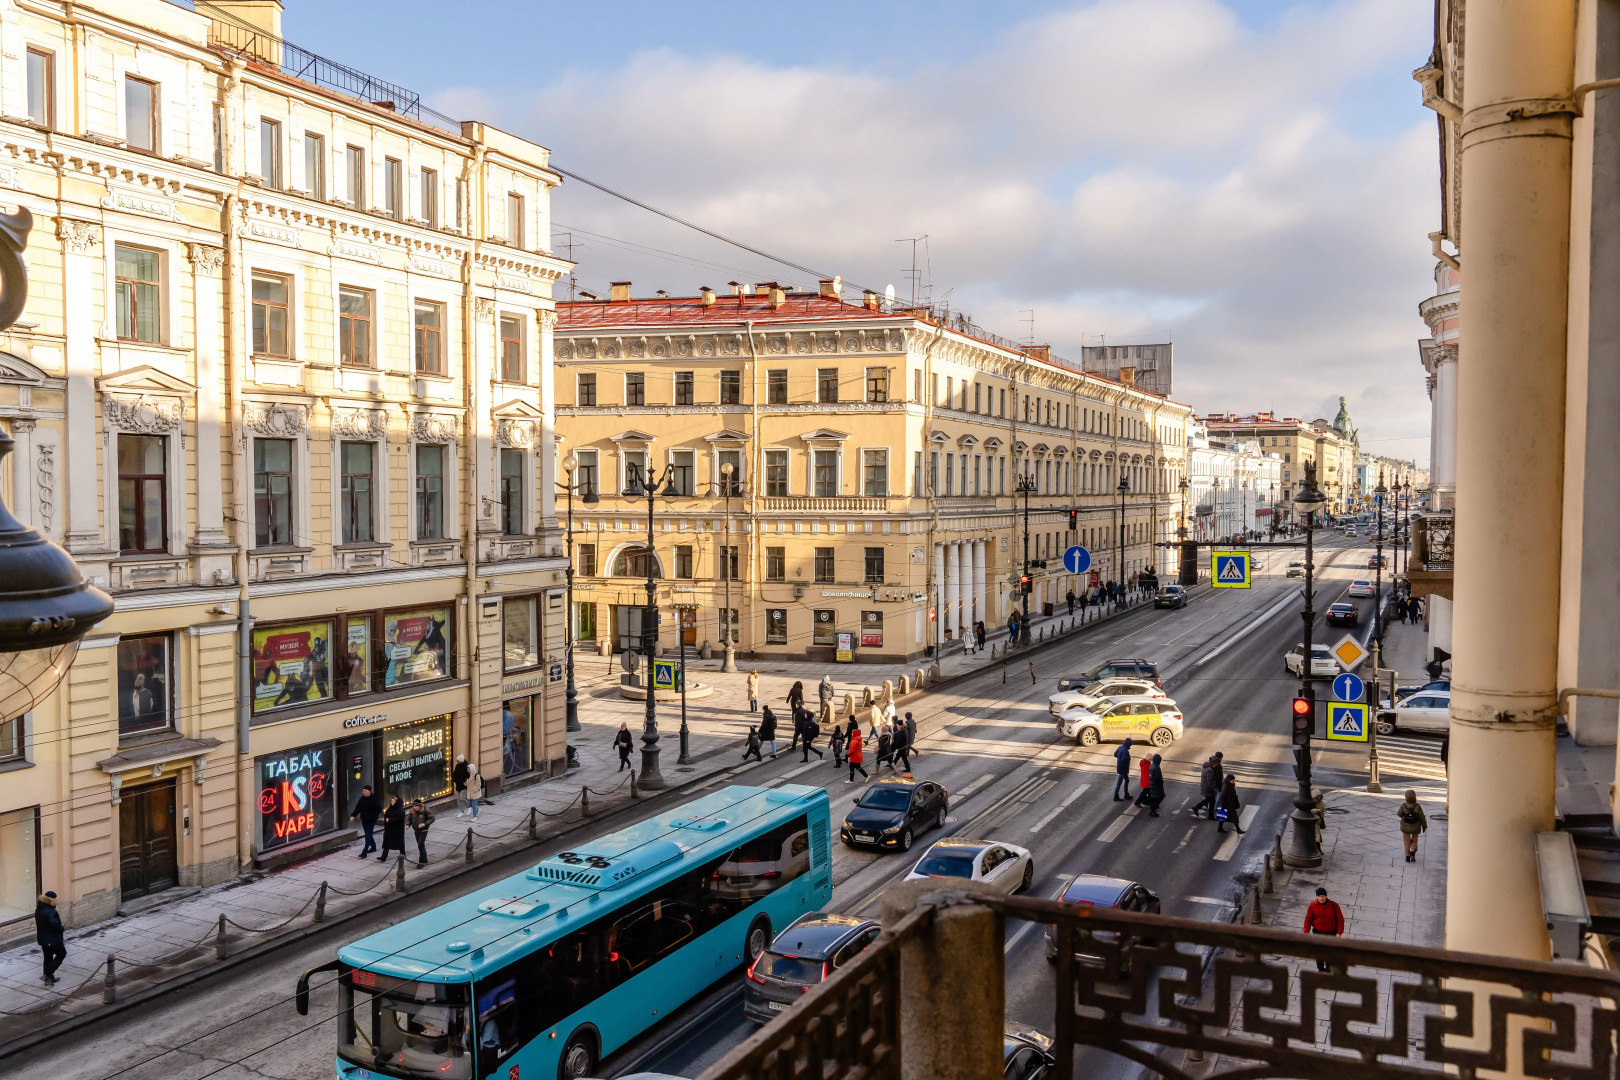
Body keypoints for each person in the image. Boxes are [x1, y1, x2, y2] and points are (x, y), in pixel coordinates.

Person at [1302, 886, 1346, 971]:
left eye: (1323, 896)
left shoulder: (1334, 905)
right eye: (1319, 896)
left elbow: (1340, 919)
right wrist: (1306, 933)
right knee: (1319, 954)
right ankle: (1320, 969)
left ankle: (1328, 969)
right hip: (1318, 934)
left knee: (1330, 954)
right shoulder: (1312, 906)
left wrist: (1339, 933)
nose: (1321, 898)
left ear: (1326, 896)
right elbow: (1307, 920)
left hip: (1331, 934)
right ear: (1316, 897)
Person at [35, 890, 65, 986]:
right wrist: (61, 928)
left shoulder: (39, 909)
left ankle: (49, 978)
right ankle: (47, 975)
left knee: (48, 957)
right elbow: (54, 925)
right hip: (53, 939)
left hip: (43, 939)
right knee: (61, 954)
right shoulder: (51, 912)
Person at [350, 784, 382, 857]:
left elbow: (379, 809)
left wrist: (374, 816)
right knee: (368, 834)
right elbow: (358, 808)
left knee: (367, 835)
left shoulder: (374, 799)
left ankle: (364, 852)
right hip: (364, 819)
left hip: (371, 820)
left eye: (365, 790)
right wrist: (353, 815)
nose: (363, 792)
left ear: (369, 791)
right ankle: (373, 846)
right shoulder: (362, 799)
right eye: (363, 791)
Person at [1397, 789, 1428, 862]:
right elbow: (1422, 817)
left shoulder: (1403, 805)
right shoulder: (1418, 806)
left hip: (1405, 827)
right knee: (1414, 840)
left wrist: (1404, 817)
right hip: (1415, 826)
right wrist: (1424, 826)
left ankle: (1407, 856)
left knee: (1406, 841)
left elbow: (1399, 813)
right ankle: (1413, 851)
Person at [407, 797, 435, 868]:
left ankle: (421, 862)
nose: (414, 808)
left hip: (423, 830)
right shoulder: (412, 811)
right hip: (416, 830)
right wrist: (407, 824)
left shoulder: (425, 809)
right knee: (421, 846)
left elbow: (432, 818)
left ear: (419, 806)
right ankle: (424, 860)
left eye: (416, 806)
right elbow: (409, 818)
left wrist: (425, 824)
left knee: (420, 844)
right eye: (413, 806)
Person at [377, 796, 406, 862]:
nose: (392, 803)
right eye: (391, 801)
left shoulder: (400, 809)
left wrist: (390, 820)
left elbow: (400, 818)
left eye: (393, 801)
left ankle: (403, 854)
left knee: (400, 843)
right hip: (389, 830)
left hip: (397, 830)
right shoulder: (390, 809)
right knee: (387, 843)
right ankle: (383, 857)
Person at [1191, 755, 1219, 820]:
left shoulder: (1206, 767)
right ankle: (1210, 816)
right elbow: (1209, 782)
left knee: (1208, 800)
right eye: (1216, 763)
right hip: (1208, 789)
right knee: (1212, 800)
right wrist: (1212, 790)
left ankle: (1197, 807)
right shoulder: (1210, 770)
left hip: (1205, 787)